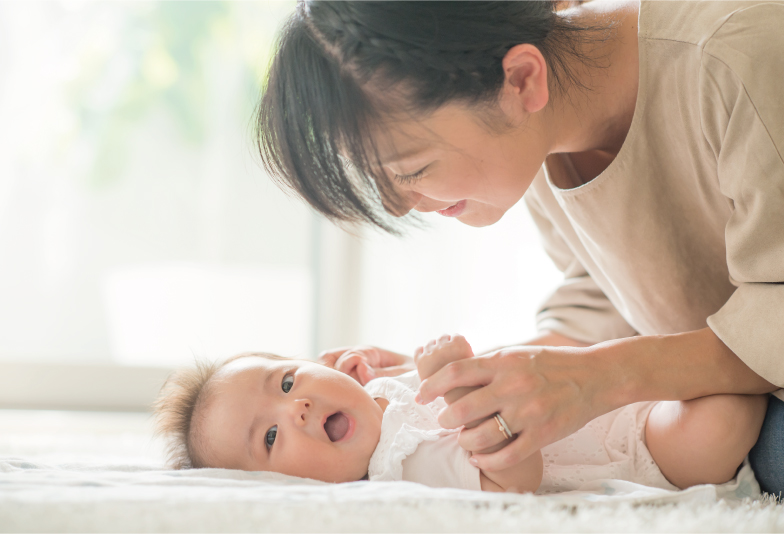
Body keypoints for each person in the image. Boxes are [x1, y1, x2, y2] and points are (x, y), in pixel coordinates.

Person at [255, 0, 784, 496]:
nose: (399, 207)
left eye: (412, 170)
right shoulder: (540, 137)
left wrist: (600, 377)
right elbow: (605, 295)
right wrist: (478, 382)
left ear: (522, 80)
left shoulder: (734, 57)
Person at [153, 335, 765, 494]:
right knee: (726, 416)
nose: (301, 404)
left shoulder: (377, 406)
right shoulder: (400, 472)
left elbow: (404, 396)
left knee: (700, 345)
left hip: (606, 384)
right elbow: (510, 480)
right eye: (269, 435)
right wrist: (447, 379)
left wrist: (380, 372)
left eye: (287, 380)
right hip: (630, 447)